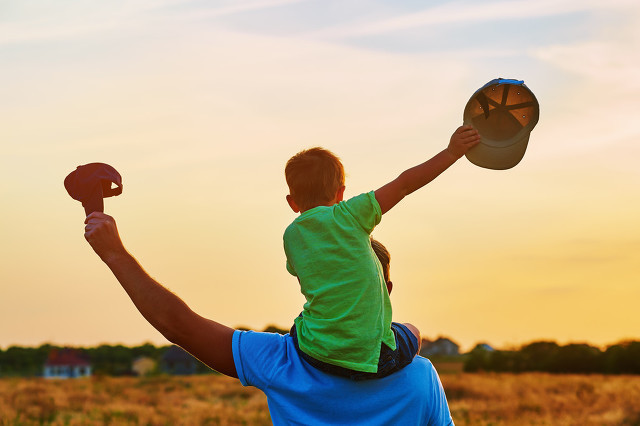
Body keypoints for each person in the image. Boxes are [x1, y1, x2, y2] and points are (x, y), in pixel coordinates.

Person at [83, 214, 455, 425]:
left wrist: (115, 254)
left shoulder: (279, 360)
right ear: (386, 288)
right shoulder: (420, 376)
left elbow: (176, 323)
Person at [283, 125, 480, 379]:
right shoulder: (350, 214)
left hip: (314, 353)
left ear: (292, 202)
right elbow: (404, 185)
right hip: (374, 358)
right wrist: (452, 153)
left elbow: (309, 282)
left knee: (300, 323)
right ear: (341, 193)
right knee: (411, 331)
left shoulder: (291, 235)